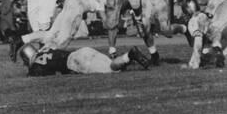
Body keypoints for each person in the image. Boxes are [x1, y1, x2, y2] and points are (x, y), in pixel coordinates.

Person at [9, 0, 107, 61]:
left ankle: (20, 40)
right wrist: (107, 23)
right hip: (79, 3)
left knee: (51, 34)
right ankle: (42, 60)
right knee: (64, 39)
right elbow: (101, 10)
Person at [18, 42, 150, 76]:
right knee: (113, 66)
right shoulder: (46, 49)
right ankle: (129, 58)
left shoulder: (36, 65)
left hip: (75, 62)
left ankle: (130, 55)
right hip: (82, 51)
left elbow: (36, 74)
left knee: (111, 69)